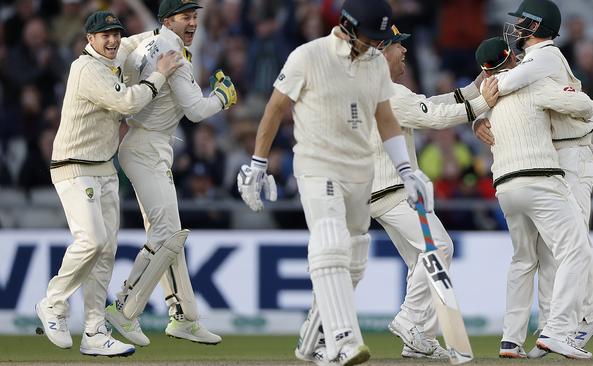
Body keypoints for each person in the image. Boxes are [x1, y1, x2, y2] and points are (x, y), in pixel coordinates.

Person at [238, 1, 434, 364]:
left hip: (360, 171)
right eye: (370, 36)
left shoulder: (374, 63)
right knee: (330, 242)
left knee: (356, 257)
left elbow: (385, 117)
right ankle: (343, 338)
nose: (375, 46)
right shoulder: (307, 56)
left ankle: (312, 339)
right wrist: (257, 163)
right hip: (317, 164)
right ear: (347, 25)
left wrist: (407, 170)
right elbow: (275, 109)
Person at [295, 25, 498, 361]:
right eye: (397, 46)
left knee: (415, 261)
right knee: (440, 248)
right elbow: (432, 117)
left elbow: (426, 105)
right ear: (380, 52)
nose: (404, 51)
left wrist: (473, 89)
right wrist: (479, 106)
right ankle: (409, 321)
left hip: (370, 191)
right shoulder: (388, 91)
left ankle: (412, 338)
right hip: (391, 191)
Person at [35, 11, 182, 357]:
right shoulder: (85, 68)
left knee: (106, 253)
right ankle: (54, 303)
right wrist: (159, 76)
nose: (113, 40)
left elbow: (134, 41)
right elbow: (127, 101)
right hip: (74, 166)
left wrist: (164, 30)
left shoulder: (114, 53)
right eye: (105, 36)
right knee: (92, 240)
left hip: (104, 167)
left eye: (115, 34)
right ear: (89, 39)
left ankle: (94, 331)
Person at [473, 0, 593, 357]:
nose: (515, 28)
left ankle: (582, 321)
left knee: (574, 243)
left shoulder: (545, 56)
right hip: (552, 154)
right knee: (555, 251)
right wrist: (478, 117)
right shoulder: (532, 64)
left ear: (538, 26)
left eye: (522, 22)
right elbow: (502, 85)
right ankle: (553, 327)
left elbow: (507, 81)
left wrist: (483, 98)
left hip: (572, 153)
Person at [104, 0, 237, 346]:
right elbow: (196, 110)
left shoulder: (151, 40)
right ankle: (124, 307)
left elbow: (128, 50)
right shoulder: (171, 52)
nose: (192, 23)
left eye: (195, 16)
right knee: (166, 235)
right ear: (168, 20)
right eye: (185, 17)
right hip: (146, 149)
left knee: (171, 238)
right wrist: (223, 97)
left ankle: (184, 318)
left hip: (147, 146)